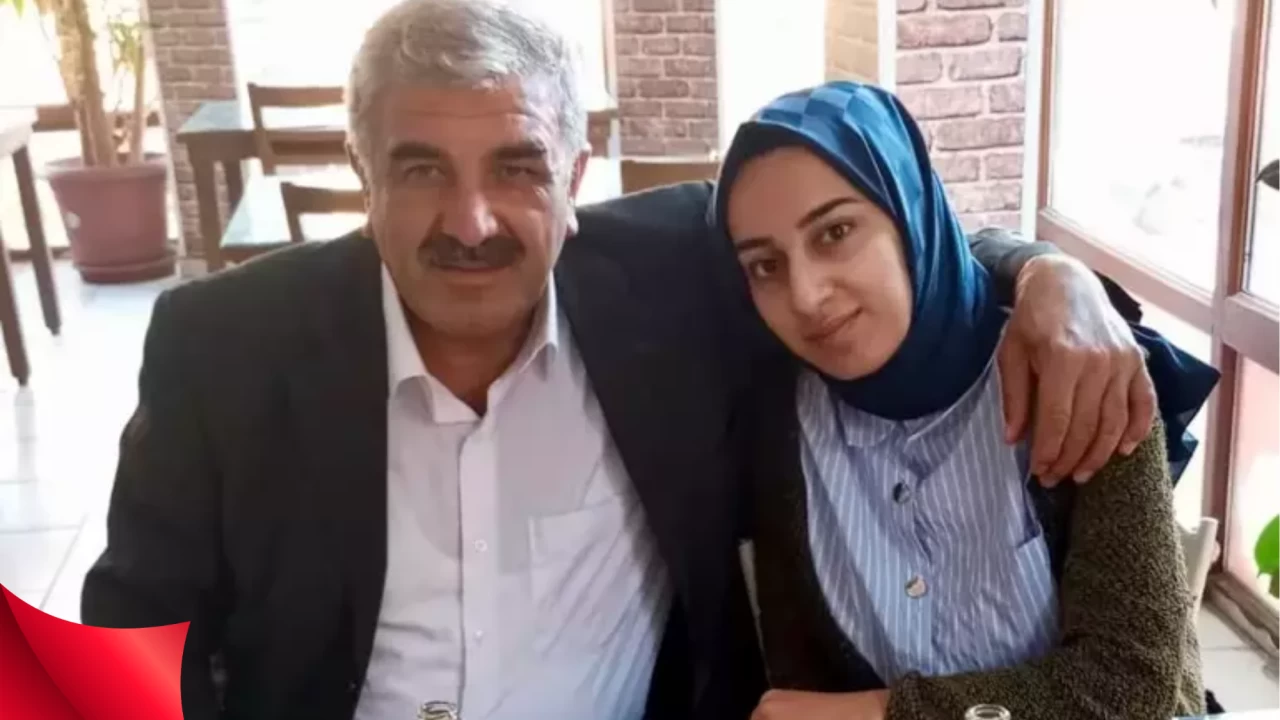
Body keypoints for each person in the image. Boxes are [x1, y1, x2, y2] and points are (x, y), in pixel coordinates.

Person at [82, 2, 1163, 719]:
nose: (471, 222)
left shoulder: (671, 276)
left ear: (576, 172)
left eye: (517, 167)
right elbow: (120, 645)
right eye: (420, 170)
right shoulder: (223, 346)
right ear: (362, 172)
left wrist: (1047, 274)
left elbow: (884, 236)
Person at [711, 81, 1219, 720]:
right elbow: (802, 676)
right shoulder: (781, 423)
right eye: (765, 265)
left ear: (909, 213)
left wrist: (887, 712)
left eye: (835, 232)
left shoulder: (1077, 369)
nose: (806, 295)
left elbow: (1133, 686)